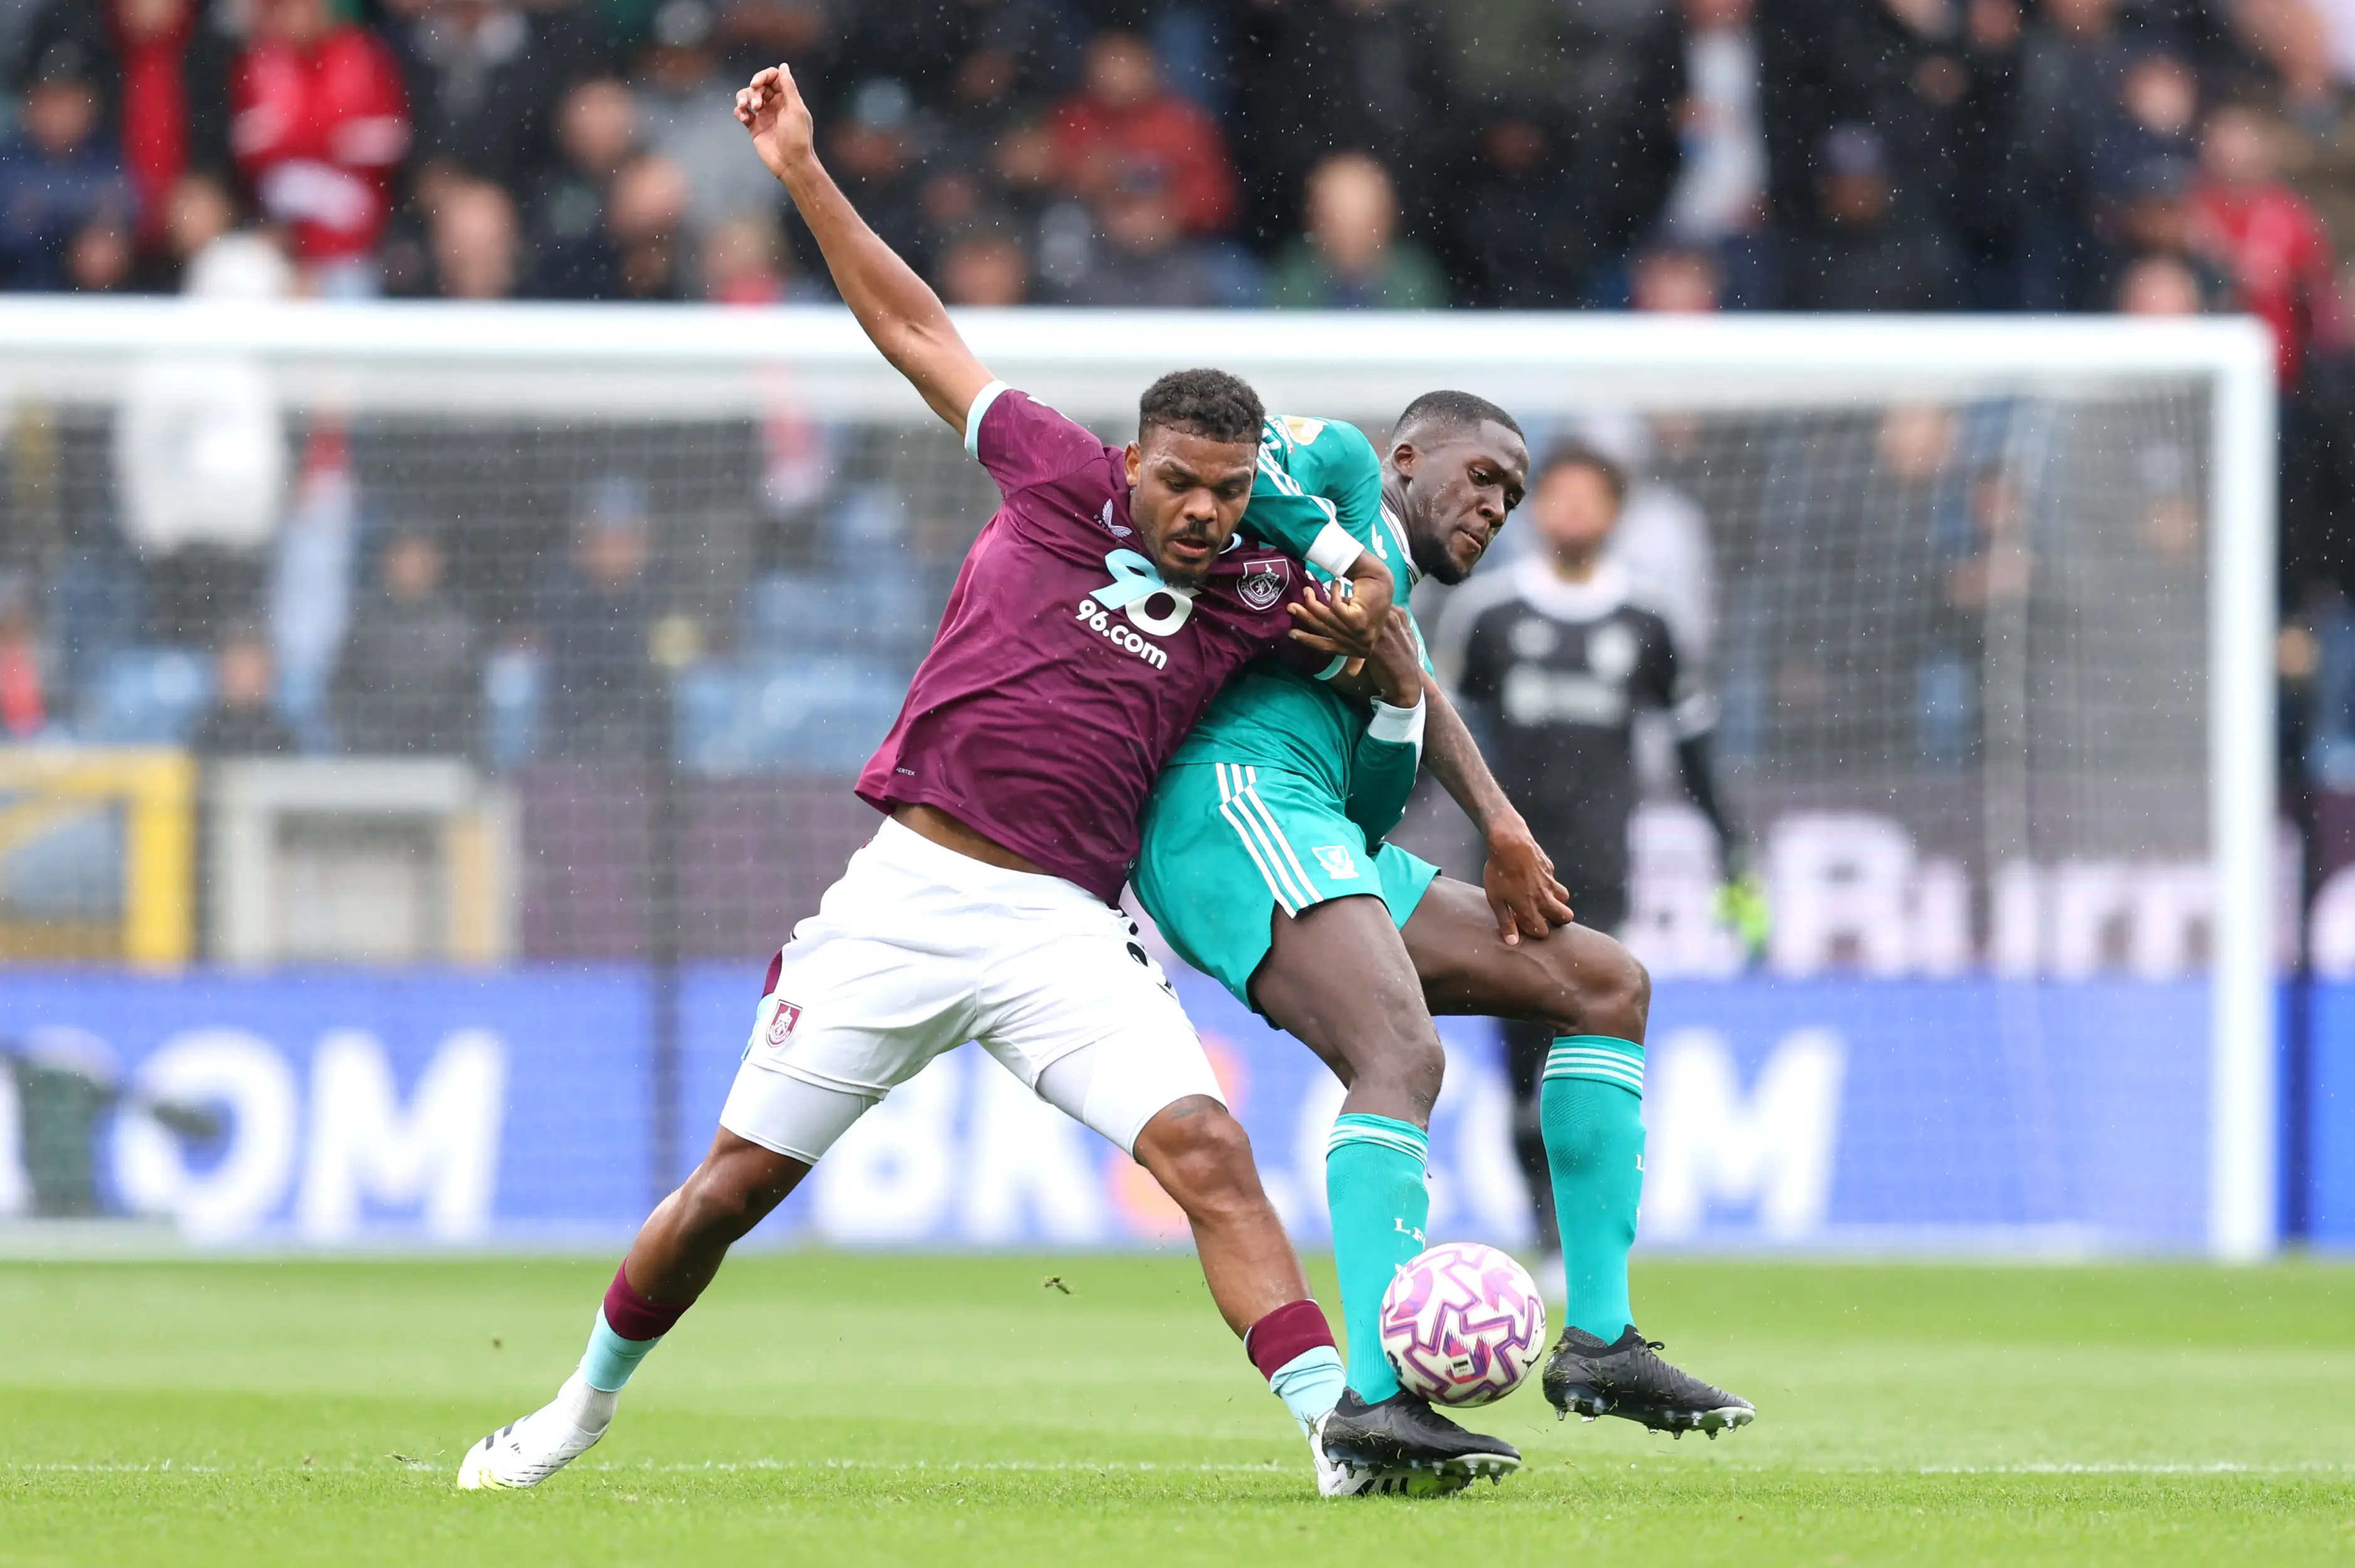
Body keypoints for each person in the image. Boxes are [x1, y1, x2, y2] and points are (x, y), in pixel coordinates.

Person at [457, 60, 1499, 1501]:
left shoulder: (1264, 588)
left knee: (1208, 1151)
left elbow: (1385, 669)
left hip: (1062, 926)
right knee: (728, 1193)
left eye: (1227, 489)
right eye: (1180, 481)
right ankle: (575, 1406)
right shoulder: (1052, 473)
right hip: (907, 895)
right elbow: (912, 324)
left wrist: (1378, 636)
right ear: (1135, 460)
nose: (1203, 511)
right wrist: (802, 170)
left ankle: (1339, 1435)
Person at [1137, 415, 1756, 1448]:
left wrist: (1396, 692)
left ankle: (1601, 1340)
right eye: (1480, 475)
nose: (1494, 505)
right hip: (1235, 804)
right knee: (1400, 1054)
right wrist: (1350, 564)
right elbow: (1242, 458)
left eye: (1510, 494)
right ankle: (1375, 1399)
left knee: (1606, 982)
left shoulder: (1407, 638)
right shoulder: (1339, 472)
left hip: (1327, 831)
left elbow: (1376, 797)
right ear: (1408, 460)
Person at [1432, 441, 1756, 1293]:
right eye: (1558, 496)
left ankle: (1583, 1237)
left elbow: (1693, 752)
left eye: (1590, 497)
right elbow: (1434, 740)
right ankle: (1545, 1231)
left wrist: (1732, 851)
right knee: (1521, 1068)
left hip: (1601, 874)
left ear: (1614, 513)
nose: (1572, 511)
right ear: (1535, 509)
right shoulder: (1488, 615)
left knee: (1584, 1056)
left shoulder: (1648, 622)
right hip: (1502, 877)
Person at [331, 527, 480, 758]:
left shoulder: (457, 632)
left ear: (436, 567)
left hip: (440, 753)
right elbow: (345, 694)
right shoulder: (366, 627)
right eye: (403, 561)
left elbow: (467, 706)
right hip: (376, 753)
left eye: (418, 562)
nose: (409, 570)